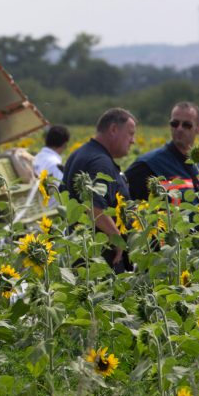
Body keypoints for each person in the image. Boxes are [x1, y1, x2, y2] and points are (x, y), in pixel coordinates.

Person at [61, 108, 137, 273]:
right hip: (100, 258)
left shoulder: (79, 154)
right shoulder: (100, 162)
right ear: (113, 130)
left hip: (81, 252)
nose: (133, 141)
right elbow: (94, 206)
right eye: (130, 134)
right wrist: (117, 239)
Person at [125, 102, 199, 211]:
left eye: (186, 125)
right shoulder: (149, 163)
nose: (179, 128)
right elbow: (122, 197)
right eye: (174, 123)